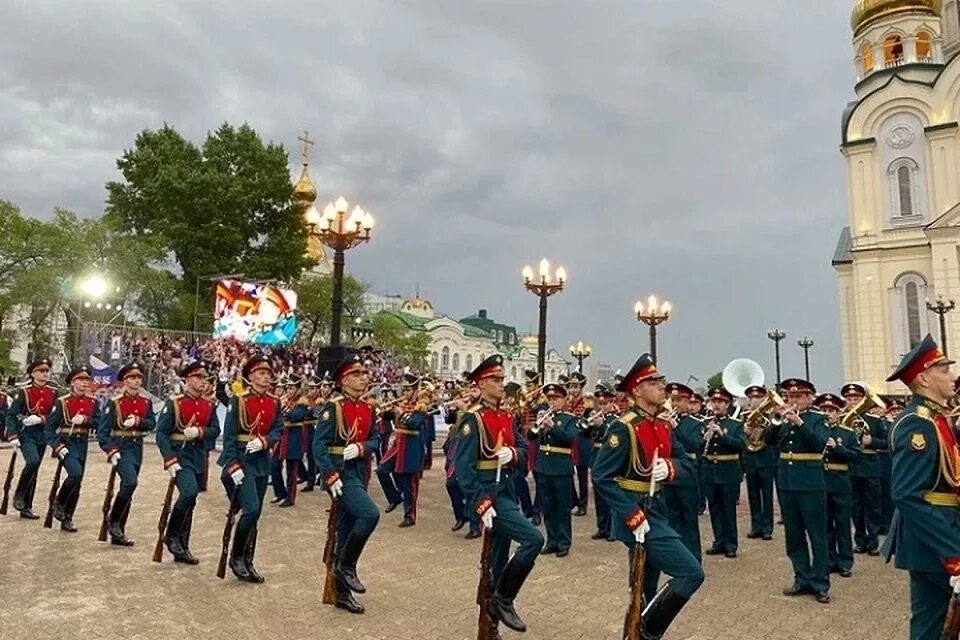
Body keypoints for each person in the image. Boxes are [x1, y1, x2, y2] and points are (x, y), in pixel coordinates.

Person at [593, 354, 704, 639]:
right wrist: (630, 514)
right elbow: (602, 477)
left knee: (644, 587)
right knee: (691, 572)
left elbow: (688, 464)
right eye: (653, 382)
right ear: (637, 390)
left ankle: (636, 632)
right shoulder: (624, 427)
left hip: (657, 509)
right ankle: (646, 633)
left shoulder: (664, 425)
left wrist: (669, 467)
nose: (661, 386)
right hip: (636, 513)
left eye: (659, 381)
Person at [455, 355, 543, 636]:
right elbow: (463, 469)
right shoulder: (473, 419)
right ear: (481, 384)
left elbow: (522, 448)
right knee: (533, 539)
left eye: (502, 378)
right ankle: (503, 599)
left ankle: (490, 623)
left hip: (505, 490)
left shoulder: (505, 415)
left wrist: (513, 454)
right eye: (495, 379)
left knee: (496, 562)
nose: (501, 383)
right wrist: (479, 502)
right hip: (489, 496)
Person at [881, 334, 960, 640]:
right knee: (933, 627)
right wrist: (954, 555)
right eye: (944, 370)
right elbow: (907, 495)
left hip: (943, 534)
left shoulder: (936, 418)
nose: (951, 376)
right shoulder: (917, 424)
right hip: (934, 543)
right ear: (925, 378)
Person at [314, 354, 381, 614]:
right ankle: (346, 566)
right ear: (344, 380)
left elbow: (375, 439)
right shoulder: (334, 408)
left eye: (364, 374)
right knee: (369, 514)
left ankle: (341, 592)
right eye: (357, 374)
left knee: (346, 528)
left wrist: (362, 448)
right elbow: (319, 445)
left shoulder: (368, 408)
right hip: (340, 476)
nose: (363, 378)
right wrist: (330, 475)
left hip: (359, 472)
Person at [218, 354, 283, 582]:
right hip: (242, 461)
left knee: (255, 514)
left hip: (261, 462)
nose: (265, 378)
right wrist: (233, 464)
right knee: (252, 509)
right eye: (261, 373)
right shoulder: (239, 400)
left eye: (268, 374)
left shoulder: (274, 401)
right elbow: (229, 436)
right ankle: (236, 557)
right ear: (251, 376)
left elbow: (277, 429)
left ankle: (248, 559)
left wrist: (265, 441)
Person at [766, 378, 831, 603]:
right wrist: (775, 423)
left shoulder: (818, 419)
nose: (793, 400)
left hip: (811, 483)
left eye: (798, 397)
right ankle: (801, 578)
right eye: (790, 397)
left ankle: (820, 583)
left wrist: (800, 423)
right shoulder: (783, 420)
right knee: (793, 535)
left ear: (809, 398)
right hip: (787, 482)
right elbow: (768, 441)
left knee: (817, 535)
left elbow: (819, 443)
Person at [155, 361, 220, 564]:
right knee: (189, 492)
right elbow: (162, 434)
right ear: (188, 380)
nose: (203, 382)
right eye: (199, 378)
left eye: (204, 378)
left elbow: (215, 429)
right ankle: (172, 535)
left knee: (191, 501)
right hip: (180, 456)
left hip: (198, 456)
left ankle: (183, 545)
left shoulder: (209, 405)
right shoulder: (175, 403)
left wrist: (200, 431)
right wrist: (169, 459)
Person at [97, 362, 156, 546]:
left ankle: (119, 530)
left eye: (139, 377)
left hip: (136, 447)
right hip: (121, 448)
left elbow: (152, 424)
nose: (137, 381)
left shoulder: (145, 402)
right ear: (124, 380)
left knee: (128, 488)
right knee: (131, 482)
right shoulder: (115, 403)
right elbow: (103, 432)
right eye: (132, 377)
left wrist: (139, 421)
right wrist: (111, 450)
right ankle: (113, 521)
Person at [44, 365, 100, 532]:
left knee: (77, 483)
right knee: (74, 474)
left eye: (86, 380)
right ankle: (59, 503)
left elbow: (99, 422)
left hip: (81, 444)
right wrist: (57, 446)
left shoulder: (92, 402)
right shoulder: (62, 402)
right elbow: (49, 428)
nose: (84, 383)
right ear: (72, 382)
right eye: (80, 380)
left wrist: (85, 419)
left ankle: (67, 517)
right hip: (66, 444)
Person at [5, 358, 57, 520]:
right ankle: (19, 494)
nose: (44, 374)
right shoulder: (23, 392)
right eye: (41, 371)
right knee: (33, 461)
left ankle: (26, 506)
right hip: (26, 433)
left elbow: (57, 417)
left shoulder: (54, 393)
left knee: (34, 470)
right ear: (33, 373)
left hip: (42, 434)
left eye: (47, 371)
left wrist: (41, 419)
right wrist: (12, 435)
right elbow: (12, 415)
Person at [814, 392, 859, 578]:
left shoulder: (847, 433)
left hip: (840, 481)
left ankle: (845, 561)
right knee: (825, 524)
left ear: (838, 412)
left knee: (842, 524)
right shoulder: (816, 431)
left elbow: (856, 456)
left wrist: (837, 448)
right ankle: (830, 560)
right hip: (822, 481)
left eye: (831, 410)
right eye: (823, 409)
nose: (827, 413)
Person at [841, 382, 887, 555]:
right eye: (849, 398)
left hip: (870, 466)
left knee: (873, 506)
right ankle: (860, 540)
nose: (853, 401)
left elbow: (887, 443)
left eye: (856, 398)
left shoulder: (874, 420)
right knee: (855, 507)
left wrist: (872, 442)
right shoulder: (841, 420)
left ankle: (873, 541)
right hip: (851, 467)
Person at [376, 372, 427, 527]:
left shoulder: (421, 406)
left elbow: (414, 423)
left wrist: (401, 412)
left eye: (408, 390)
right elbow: (387, 418)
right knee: (382, 470)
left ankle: (410, 516)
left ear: (415, 390)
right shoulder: (403, 403)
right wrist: (386, 410)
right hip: (398, 442)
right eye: (404, 390)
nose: (405, 393)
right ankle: (394, 497)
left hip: (412, 444)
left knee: (409, 482)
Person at [532, 382, 577, 557]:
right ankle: (551, 540)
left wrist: (553, 426)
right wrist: (539, 425)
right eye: (550, 398)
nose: (552, 402)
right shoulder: (544, 417)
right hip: (543, 467)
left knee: (563, 507)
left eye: (556, 398)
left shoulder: (569, 419)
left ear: (564, 400)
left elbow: (570, 439)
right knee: (547, 506)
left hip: (561, 468)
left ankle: (564, 542)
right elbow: (531, 436)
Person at [662, 382, 703, 561]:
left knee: (689, 520)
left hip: (687, 475)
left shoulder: (695, 423)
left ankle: (694, 557)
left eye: (679, 400)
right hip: (668, 474)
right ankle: (677, 557)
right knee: (672, 519)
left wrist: (675, 426)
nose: (675, 403)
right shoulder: (661, 422)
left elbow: (694, 445)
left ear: (688, 402)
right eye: (671, 399)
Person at [701, 386, 744, 558]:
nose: (716, 405)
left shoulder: (735, 424)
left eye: (720, 402)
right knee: (715, 508)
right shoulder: (705, 423)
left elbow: (741, 445)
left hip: (728, 472)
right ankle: (718, 541)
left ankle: (731, 544)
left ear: (728, 405)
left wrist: (722, 435)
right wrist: (703, 438)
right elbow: (698, 446)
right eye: (714, 401)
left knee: (728, 509)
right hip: (710, 471)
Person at [741, 384, 777, 541]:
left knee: (767, 495)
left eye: (758, 397)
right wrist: (746, 432)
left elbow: (775, 436)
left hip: (766, 458)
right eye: (752, 398)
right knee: (753, 494)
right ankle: (756, 526)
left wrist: (764, 430)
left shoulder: (770, 416)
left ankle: (767, 527)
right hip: (751, 458)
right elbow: (741, 439)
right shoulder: (745, 415)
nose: (754, 401)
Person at [587, 382, 620, 541]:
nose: (603, 406)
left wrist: (600, 426)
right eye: (601, 403)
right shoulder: (597, 417)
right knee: (599, 495)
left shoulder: (616, 420)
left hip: (610, 458)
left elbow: (612, 438)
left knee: (610, 495)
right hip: (596, 457)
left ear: (612, 403)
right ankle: (602, 527)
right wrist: (589, 425)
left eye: (606, 403)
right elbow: (585, 433)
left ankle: (613, 528)